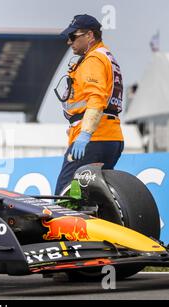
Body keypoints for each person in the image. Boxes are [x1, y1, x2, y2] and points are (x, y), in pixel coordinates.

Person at [54, 14, 124, 195]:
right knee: (93, 197)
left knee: (65, 195)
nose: (69, 42)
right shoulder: (107, 57)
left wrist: (85, 134)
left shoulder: (93, 60)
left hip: (93, 139)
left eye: (73, 36)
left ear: (90, 36)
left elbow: (96, 98)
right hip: (111, 137)